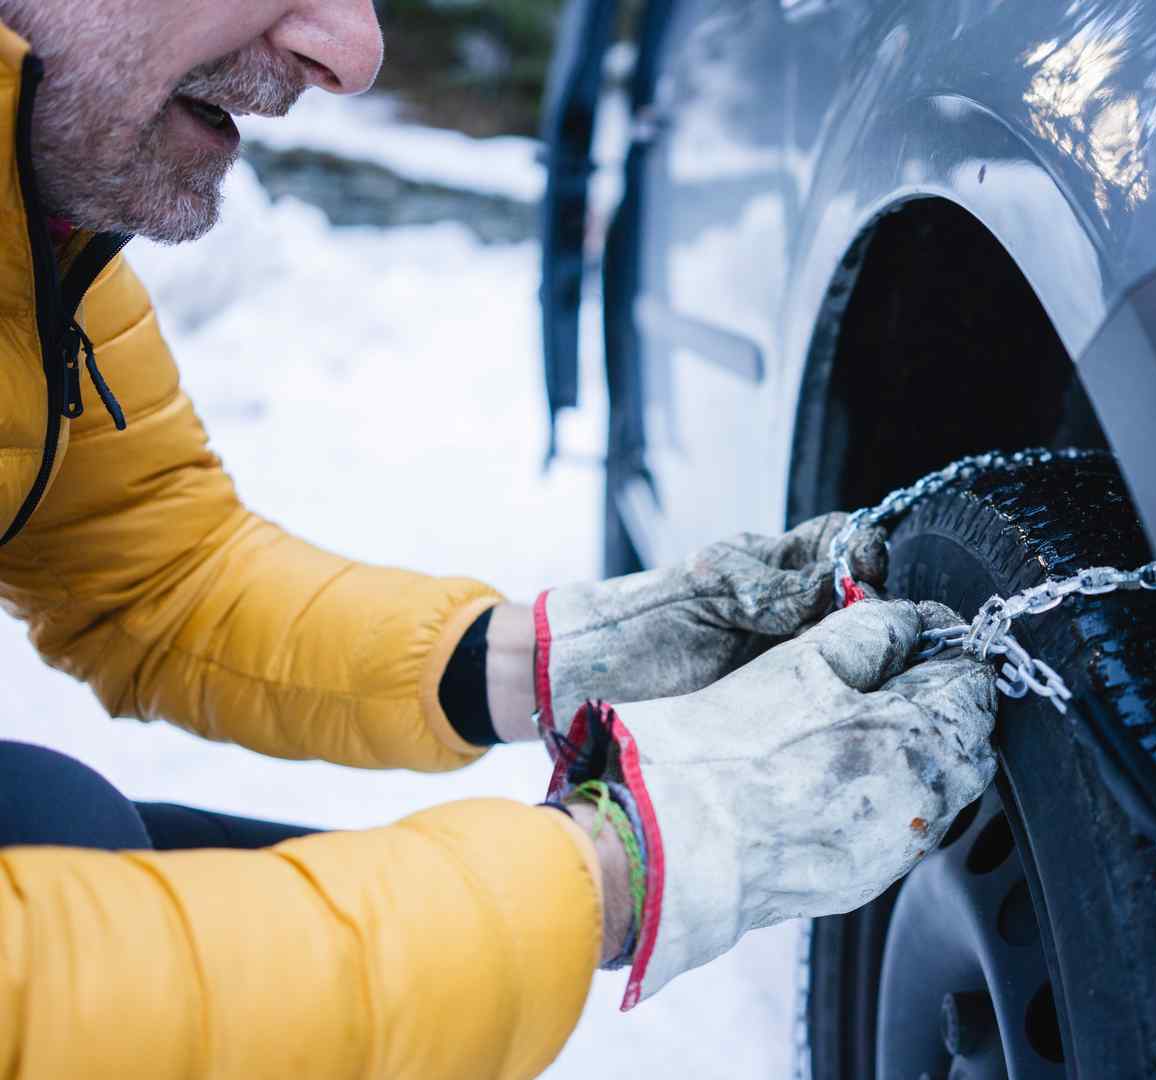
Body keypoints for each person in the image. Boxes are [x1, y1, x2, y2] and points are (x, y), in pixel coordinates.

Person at [0, 2, 1000, 1077]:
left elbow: (153, 576)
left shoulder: (34, 244)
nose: (352, 52)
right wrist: (628, 866)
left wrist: (543, 661)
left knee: (57, 816)